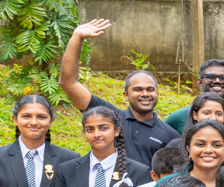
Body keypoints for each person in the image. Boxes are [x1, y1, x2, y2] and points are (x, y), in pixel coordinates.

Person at [59, 20, 180, 167]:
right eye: (137, 89)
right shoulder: (109, 116)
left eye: (150, 89)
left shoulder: (170, 135)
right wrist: (77, 37)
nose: (144, 94)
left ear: (157, 93)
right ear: (125, 95)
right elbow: (69, 83)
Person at [50, 104, 151, 187]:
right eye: (90, 129)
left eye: (103, 128)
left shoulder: (138, 171)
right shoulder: (67, 170)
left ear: (117, 131)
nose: (97, 134)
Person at [162, 60, 224, 148]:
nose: (217, 81)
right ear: (200, 83)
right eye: (210, 77)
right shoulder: (177, 118)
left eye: (223, 78)